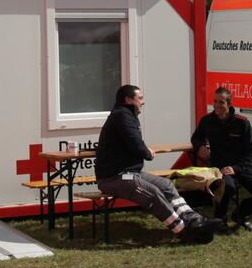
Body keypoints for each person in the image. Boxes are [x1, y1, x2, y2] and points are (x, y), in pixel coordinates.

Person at [95, 85, 224, 243]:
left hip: (130, 173)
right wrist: (148, 152)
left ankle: (195, 221)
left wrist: (145, 150)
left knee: (166, 185)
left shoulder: (126, 115)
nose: (143, 102)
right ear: (128, 100)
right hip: (113, 178)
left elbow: (133, 143)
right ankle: (183, 231)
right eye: (140, 98)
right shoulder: (122, 115)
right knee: (152, 192)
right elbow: (136, 144)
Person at [190, 87, 252, 231]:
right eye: (215, 101)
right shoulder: (207, 120)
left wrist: (236, 168)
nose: (217, 105)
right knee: (227, 186)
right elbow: (196, 138)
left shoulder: (242, 123)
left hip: (241, 167)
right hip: (219, 167)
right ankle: (219, 220)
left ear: (229, 104)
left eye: (221, 102)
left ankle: (240, 214)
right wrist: (200, 147)